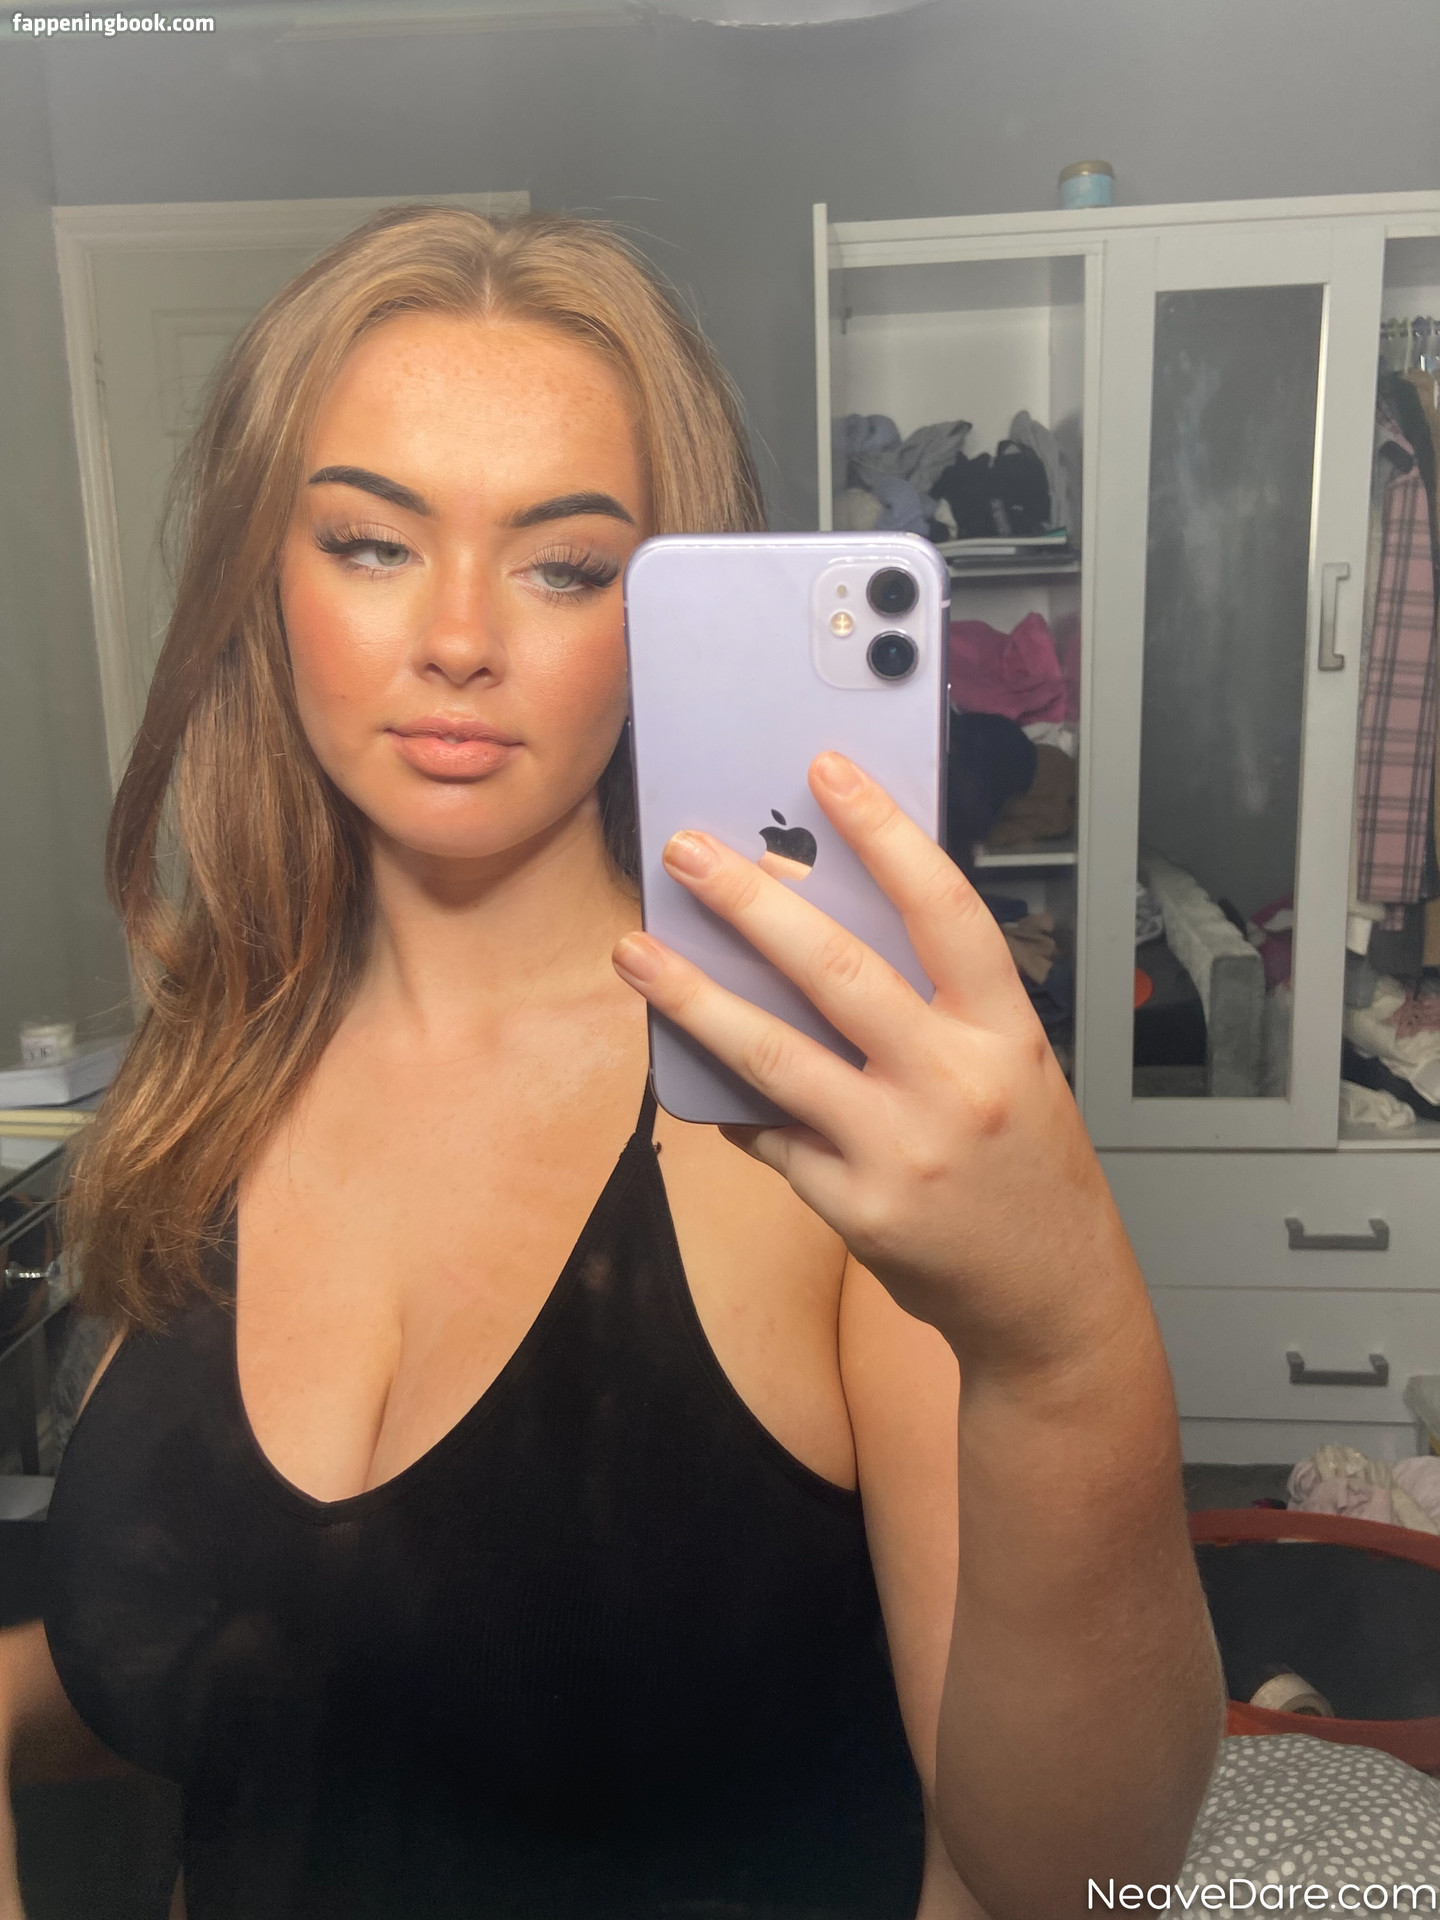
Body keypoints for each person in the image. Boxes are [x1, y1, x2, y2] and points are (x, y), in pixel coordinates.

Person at [0, 206, 1220, 1920]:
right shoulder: (205, 1087)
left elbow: (1082, 1877)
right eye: (372, 543)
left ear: (664, 618)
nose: (459, 637)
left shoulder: (820, 1115)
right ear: (262, 581)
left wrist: (1068, 1349)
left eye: (565, 566)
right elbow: (272, 1643)